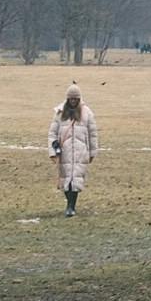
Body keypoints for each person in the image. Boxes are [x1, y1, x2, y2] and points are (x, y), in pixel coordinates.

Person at [48, 86, 96, 216]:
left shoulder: (87, 113)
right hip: (65, 152)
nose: (73, 101)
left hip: (80, 151)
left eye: (75, 99)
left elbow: (92, 134)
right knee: (65, 179)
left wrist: (92, 152)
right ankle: (69, 204)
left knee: (76, 179)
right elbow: (52, 133)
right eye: (71, 99)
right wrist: (52, 152)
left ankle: (71, 206)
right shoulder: (59, 113)